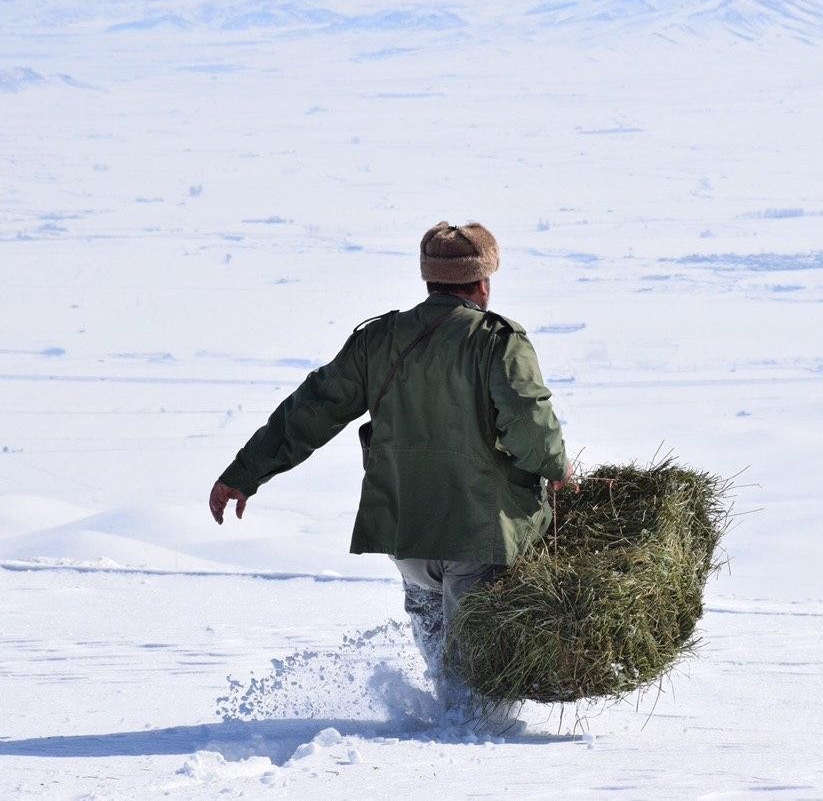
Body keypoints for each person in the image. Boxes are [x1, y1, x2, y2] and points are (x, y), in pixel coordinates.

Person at [208, 220, 573, 716]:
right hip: (480, 539)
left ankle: (442, 727)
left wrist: (243, 473)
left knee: (446, 670)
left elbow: (312, 409)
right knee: (481, 693)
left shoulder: (378, 340)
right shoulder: (498, 341)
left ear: (428, 278)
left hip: (408, 539)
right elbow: (531, 429)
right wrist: (556, 470)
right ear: (483, 282)